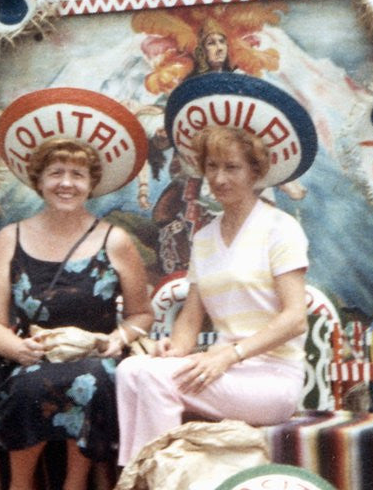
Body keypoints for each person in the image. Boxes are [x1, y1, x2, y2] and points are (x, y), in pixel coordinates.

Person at [0, 135, 153, 490]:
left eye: (77, 174)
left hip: (97, 353)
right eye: (56, 173)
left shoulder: (115, 240)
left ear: (91, 184)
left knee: (92, 379)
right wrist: (15, 347)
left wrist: (118, 340)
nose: (66, 183)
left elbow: (142, 314)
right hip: (32, 353)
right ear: (39, 181)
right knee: (27, 383)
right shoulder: (11, 238)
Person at [116, 125, 309, 465]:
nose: (219, 178)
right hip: (226, 370)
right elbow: (191, 316)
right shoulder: (204, 237)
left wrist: (229, 355)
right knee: (131, 370)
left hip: (272, 378)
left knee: (154, 378)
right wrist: (173, 349)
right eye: (212, 167)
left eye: (232, 167)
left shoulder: (281, 229)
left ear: (255, 171)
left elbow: (294, 319)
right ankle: (139, 479)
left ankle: (160, 484)